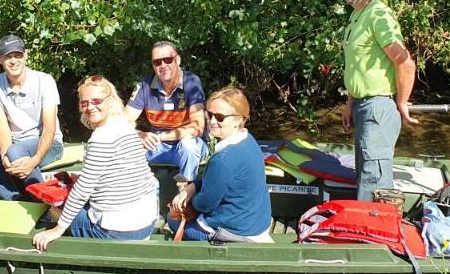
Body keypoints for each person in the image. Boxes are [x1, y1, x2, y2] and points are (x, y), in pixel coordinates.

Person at [33, 76, 159, 247]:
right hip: (147, 223)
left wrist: (57, 229)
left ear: (110, 101)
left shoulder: (101, 138)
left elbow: (82, 191)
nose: (89, 107)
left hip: (117, 232)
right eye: (84, 103)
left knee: (54, 210)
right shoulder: (127, 128)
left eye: (96, 101)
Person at [338, 0, 417, 202]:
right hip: (363, 106)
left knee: (375, 179)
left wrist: (402, 102)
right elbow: (358, 66)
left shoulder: (378, 15)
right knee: (365, 173)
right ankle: (366, 231)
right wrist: (350, 102)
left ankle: (376, 236)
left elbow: (404, 61)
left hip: (378, 107)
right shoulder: (356, 16)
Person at [168, 87, 273, 243]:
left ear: (239, 119)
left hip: (238, 233)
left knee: (172, 219)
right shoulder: (248, 140)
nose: (212, 121)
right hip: (257, 223)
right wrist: (192, 187)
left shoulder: (223, 159)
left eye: (220, 117)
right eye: (209, 115)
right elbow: (216, 182)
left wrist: (188, 196)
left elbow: (204, 205)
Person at [0, 34, 64, 201]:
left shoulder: (45, 81)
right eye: (8, 56)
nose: (13, 61)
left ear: (25, 55)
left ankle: (40, 201)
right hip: (15, 144)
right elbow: (2, 127)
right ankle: (13, 197)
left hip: (49, 144)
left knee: (16, 151)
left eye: (17, 55)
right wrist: (4, 156)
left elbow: (49, 128)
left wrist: (34, 160)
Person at [125, 40, 209, 180]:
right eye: (157, 62)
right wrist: (140, 135)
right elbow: (121, 124)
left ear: (178, 60)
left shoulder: (192, 82)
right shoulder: (145, 85)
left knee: (189, 145)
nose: (163, 65)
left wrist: (160, 136)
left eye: (168, 60)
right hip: (156, 146)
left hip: (188, 146)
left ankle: (185, 194)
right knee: (126, 146)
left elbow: (197, 128)